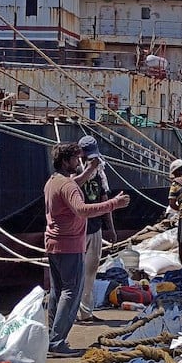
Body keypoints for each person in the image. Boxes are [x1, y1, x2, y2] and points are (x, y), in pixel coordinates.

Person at [43, 142, 129, 356]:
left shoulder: (54, 182)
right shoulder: (69, 186)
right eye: (75, 159)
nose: (78, 162)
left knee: (57, 292)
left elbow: (72, 184)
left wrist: (90, 170)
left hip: (53, 244)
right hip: (69, 245)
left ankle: (50, 338)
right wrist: (113, 204)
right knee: (72, 291)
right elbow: (81, 210)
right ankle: (57, 342)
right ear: (65, 161)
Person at [74, 135, 115, 323]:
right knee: (75, 274)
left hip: (95, 228)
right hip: (77, 230)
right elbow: (72, 189)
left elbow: (104, 199)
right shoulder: (72, 172)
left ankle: (86, 313)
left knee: (90, 273)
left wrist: (111, 228)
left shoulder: (100, 171)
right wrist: (88, 169)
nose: (91, 160)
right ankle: (72, 313)